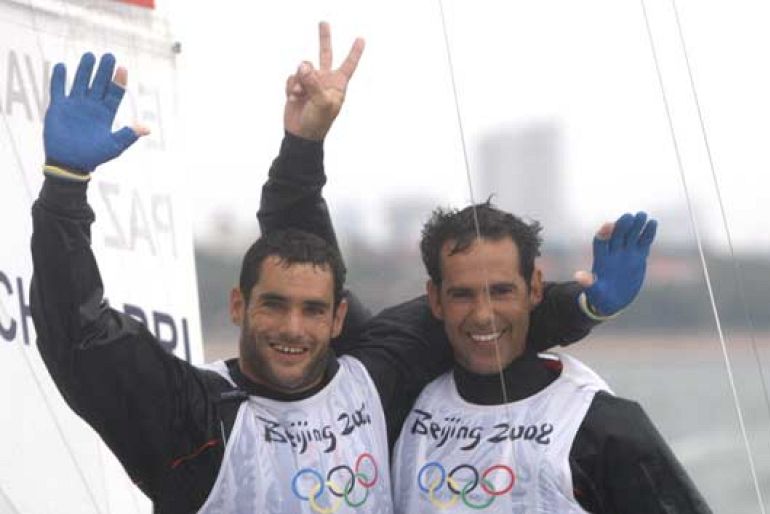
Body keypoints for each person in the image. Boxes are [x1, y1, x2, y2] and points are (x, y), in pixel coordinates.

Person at [29, 30, 605, 514]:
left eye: (312, 310)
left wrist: (583, 306)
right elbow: (79, 334)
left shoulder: (374, 376)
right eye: (273, 305)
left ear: (339, 319)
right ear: (238, 307)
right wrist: (64, 187)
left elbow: (482, 316)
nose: (293, 328)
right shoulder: (193, 416)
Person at [267, 24, 712, 514]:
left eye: (501, 291)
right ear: (434, 299)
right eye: (461, 295)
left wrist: (585, 306)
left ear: (535, 288)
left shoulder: (602, 425)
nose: (482, 314)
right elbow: (302, 266)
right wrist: (303, 144)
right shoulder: (395, 388)